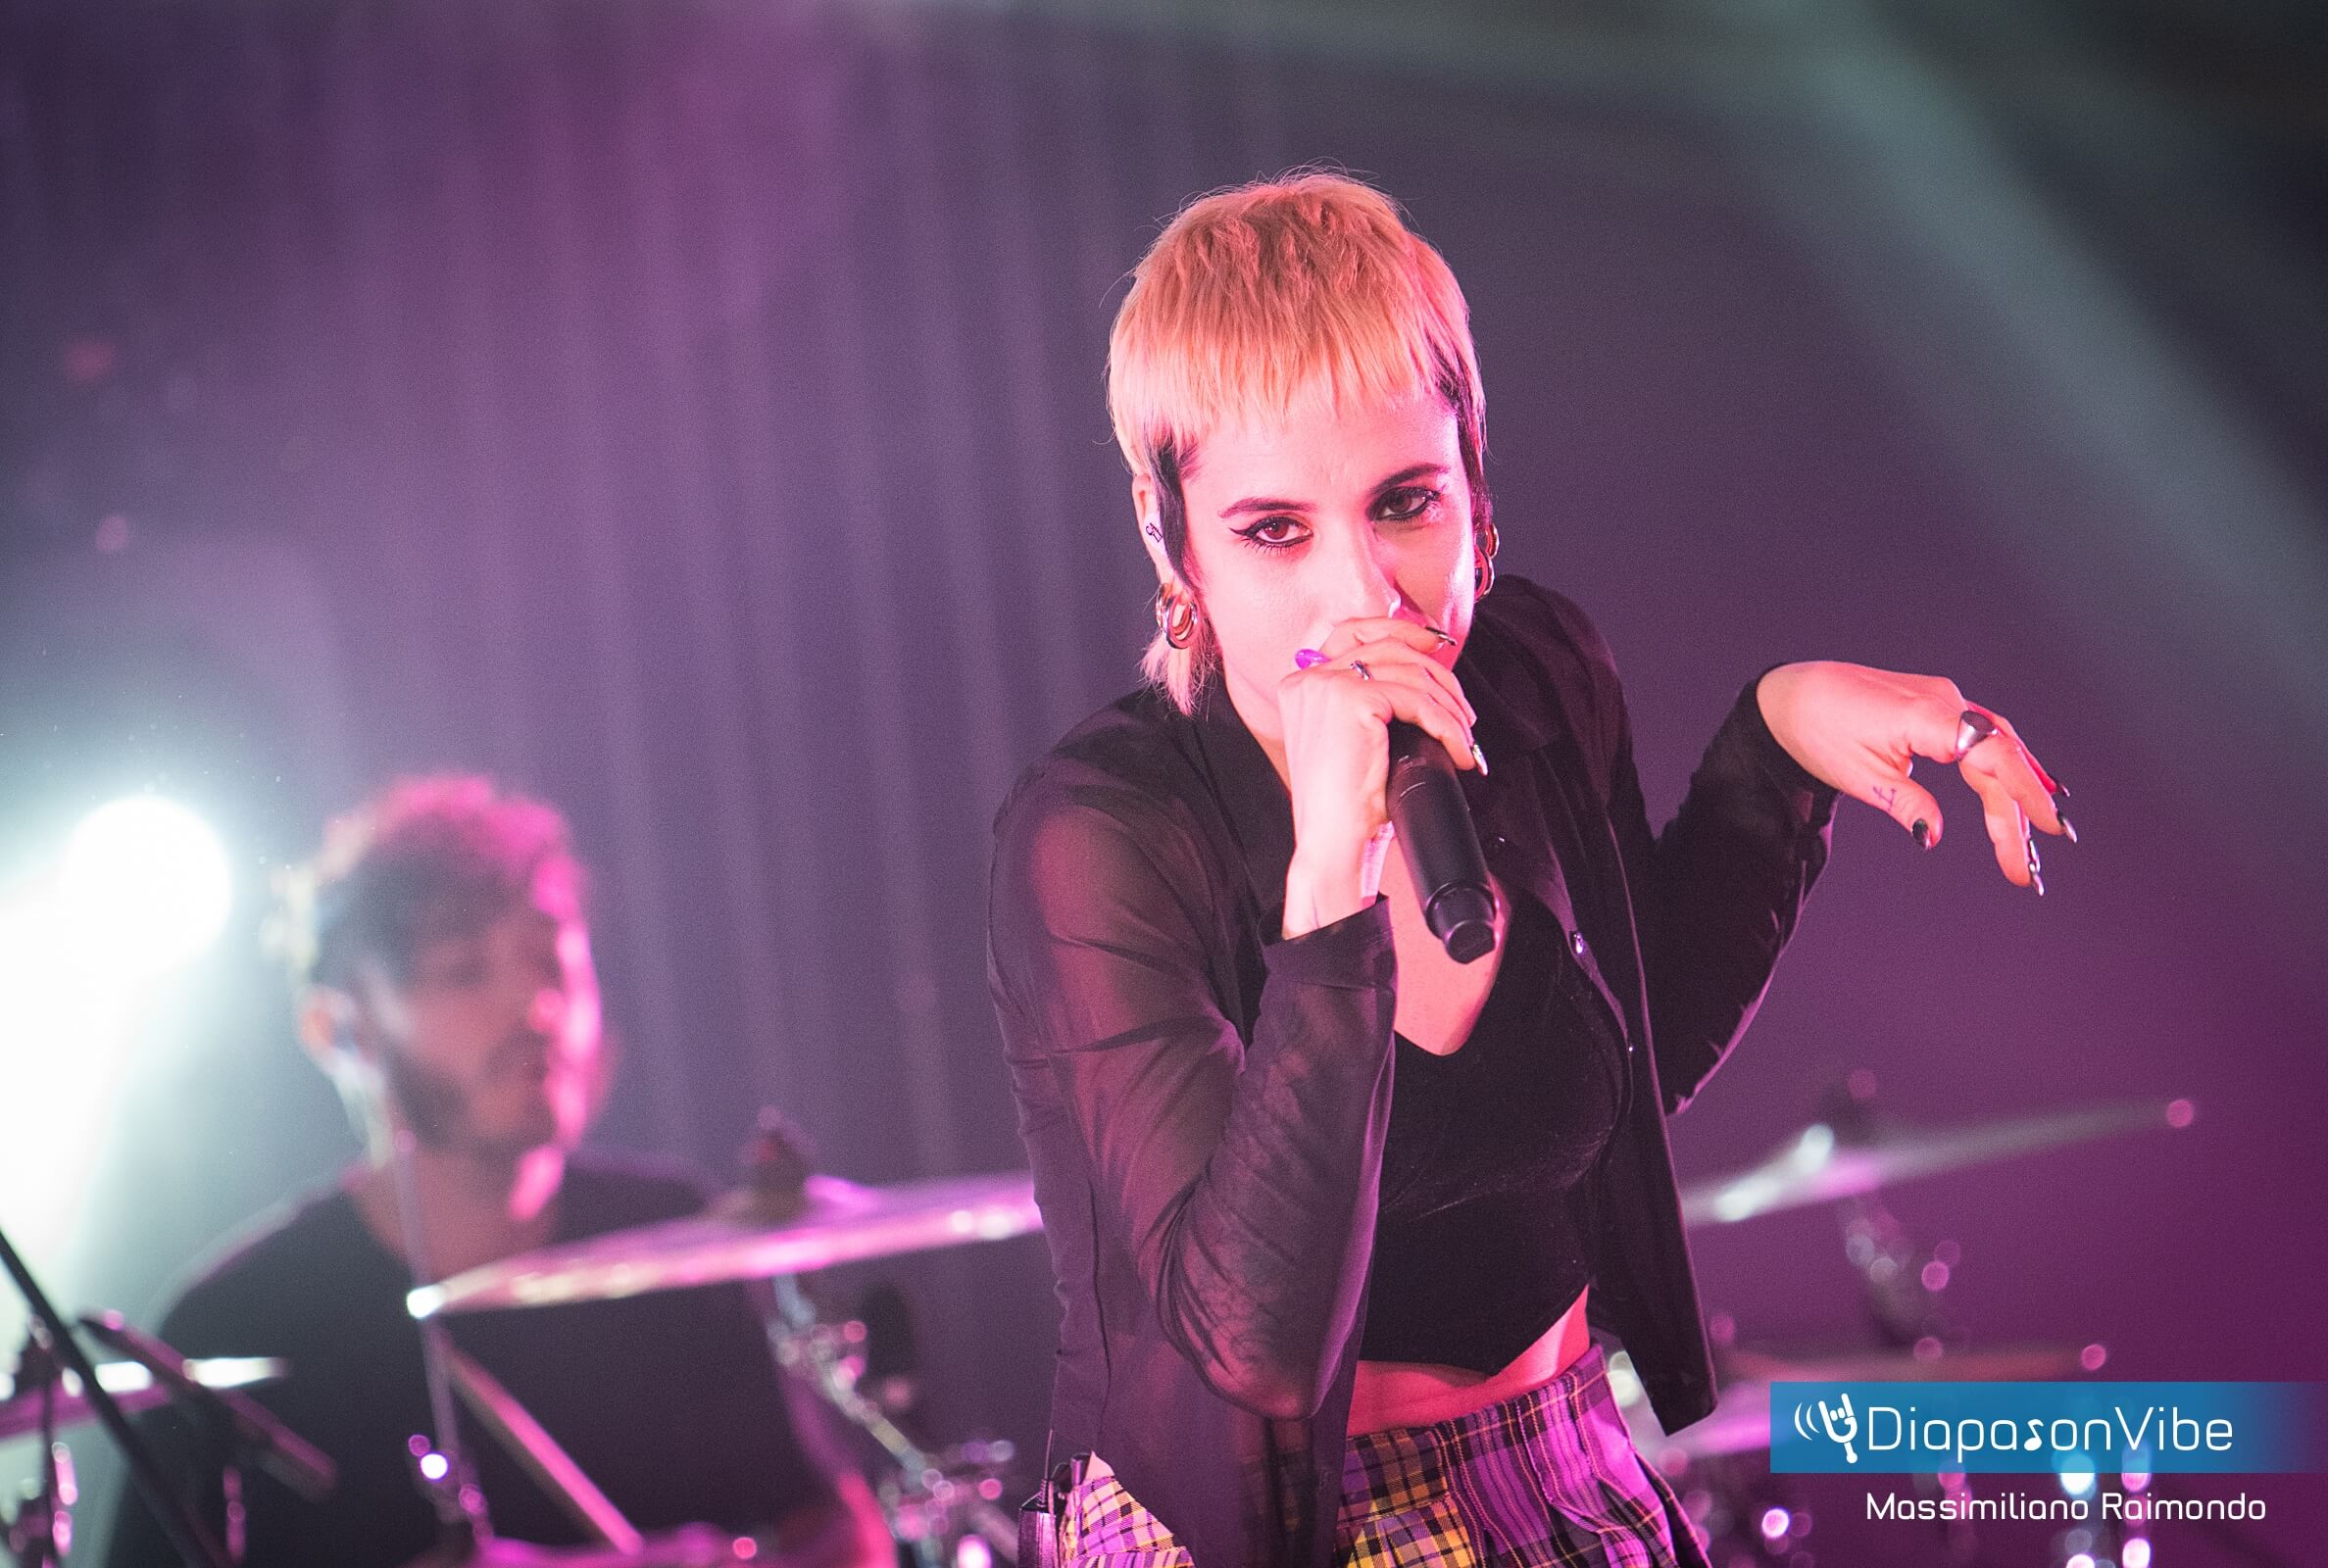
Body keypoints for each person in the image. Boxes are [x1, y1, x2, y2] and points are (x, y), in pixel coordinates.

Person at [987, 172, 2071, 1568]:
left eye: (1406, 503)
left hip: (1562, 1457)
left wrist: (1776, 747)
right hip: (1272, 1529)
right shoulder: (1102, 835)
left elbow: (1620, 1069)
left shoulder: (1534, 676)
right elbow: (1250, 1350)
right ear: (1168, 531)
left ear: (1476, 483)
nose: (1362, 595)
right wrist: (1330, 883)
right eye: (1275, 530)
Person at [105, 775, 896, 1568]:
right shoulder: (235, 1323)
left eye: (553, 964)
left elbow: (845, 1537)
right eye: (465, 971)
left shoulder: (679, 1239)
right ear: (336, 1028)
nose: (536, 1007)